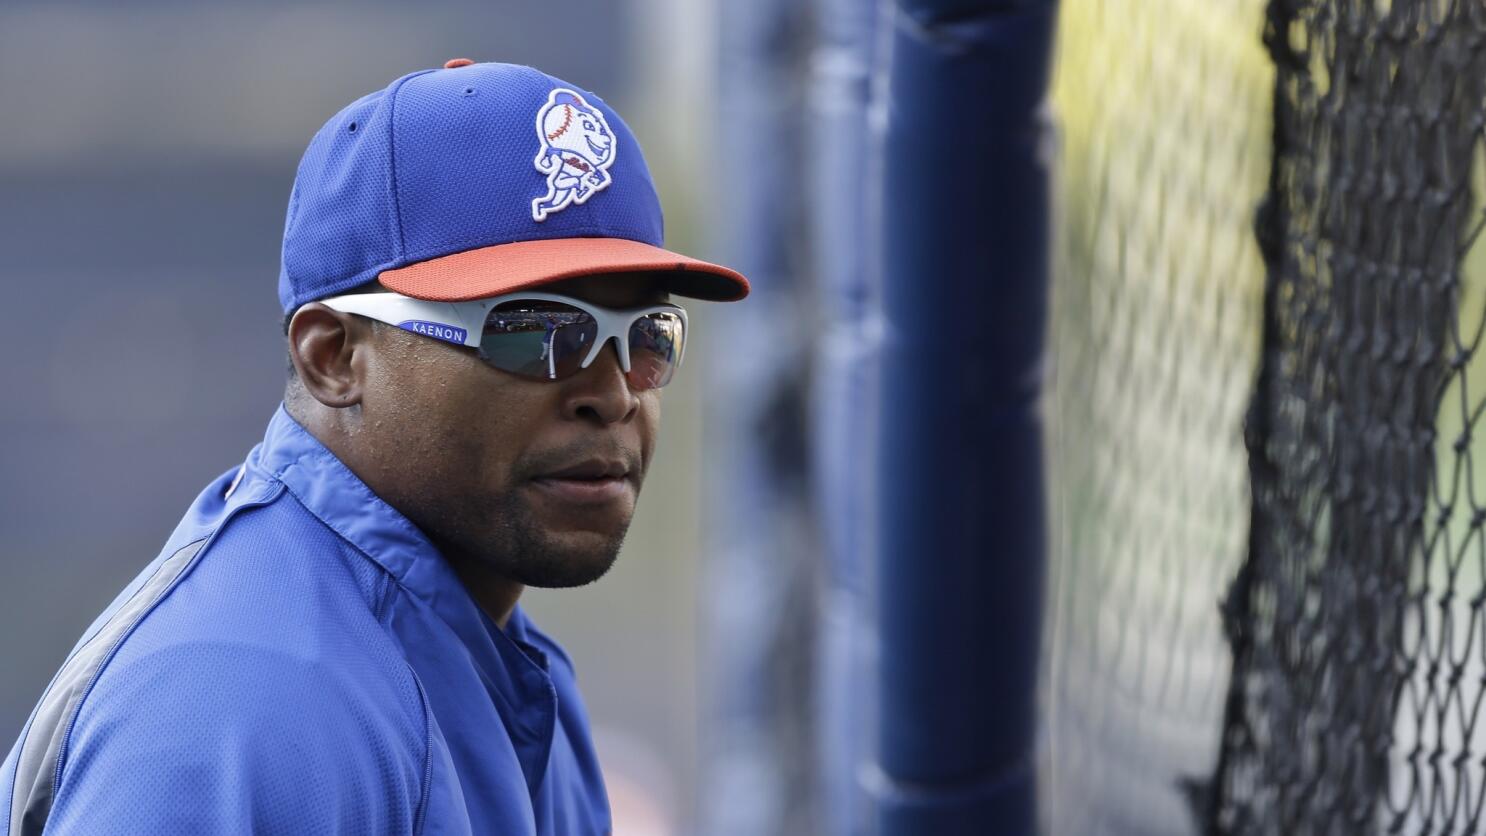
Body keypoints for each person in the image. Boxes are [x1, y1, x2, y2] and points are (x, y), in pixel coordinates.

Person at [0, 59, 748, 835]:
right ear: (334, 357)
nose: (616, 393)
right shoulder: (245, 705)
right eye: (537, 333)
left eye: (647, 339)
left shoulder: (509, 675)